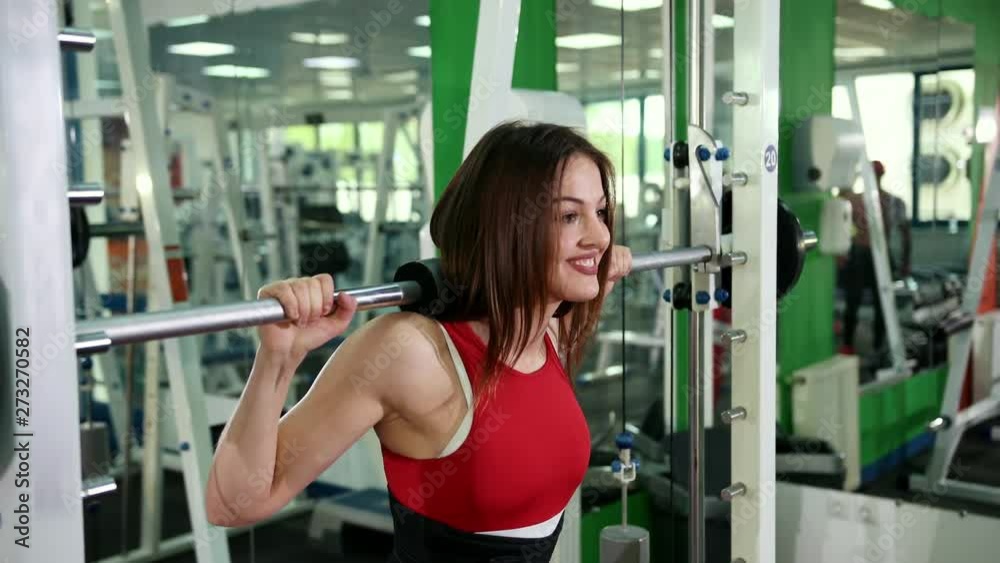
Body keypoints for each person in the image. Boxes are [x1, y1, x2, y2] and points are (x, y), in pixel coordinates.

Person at [205, 121, 633, 562]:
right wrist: (278, 358)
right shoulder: (411, 352)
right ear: (505, 228)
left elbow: (586, 276)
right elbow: (232, 505)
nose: (601, 235)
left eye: (601, 213)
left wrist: (597, 266)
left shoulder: (546, 331)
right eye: (568, 216)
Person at [839, 160, 912, 355]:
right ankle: (853, 344)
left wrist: (906, 262)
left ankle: (876, 345)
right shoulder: (856, 200)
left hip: (877, 256)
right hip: (862, 255)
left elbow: (906, 234)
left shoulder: (890, 202)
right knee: (857, 301)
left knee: (881, 302)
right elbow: (905, 235)